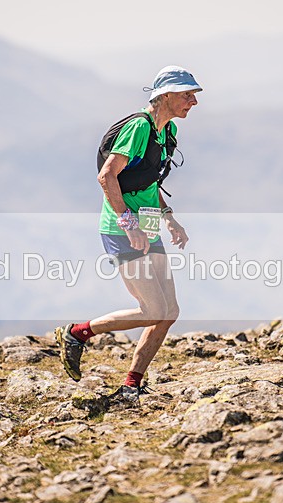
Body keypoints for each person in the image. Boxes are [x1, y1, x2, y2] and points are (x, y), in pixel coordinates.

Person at [55, 65, 201, 404]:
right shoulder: (139, 127)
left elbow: (149, 181)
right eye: (186, 94)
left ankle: (131, 384)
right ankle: (78, 333)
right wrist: (128, 223)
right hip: (123, 230)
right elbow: (108, 177)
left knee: (169, 311)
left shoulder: (166, 132)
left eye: (194, 94)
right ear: (165, 95)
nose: (193, 101)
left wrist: (169, 217)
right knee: (152, 309)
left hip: (147, 224)